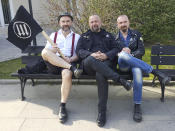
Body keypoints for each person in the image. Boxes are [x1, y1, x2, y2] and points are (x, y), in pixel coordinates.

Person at [76, 15, 133, 127]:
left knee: (100, 74)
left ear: (100, 22)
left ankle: (102, 112)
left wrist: (106, 55)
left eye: (96, 21)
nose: (94, 23)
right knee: (92, 60)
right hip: (89, 65)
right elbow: (79, 51)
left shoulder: (108, 35)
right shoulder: (84, 36)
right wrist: (91, 54)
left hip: (105, 64)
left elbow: (116, 48)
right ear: (89, 24)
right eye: (92, 22)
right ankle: (120, 80)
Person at [115, 15, 171, 122]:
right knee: (122, 55)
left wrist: (130, 54)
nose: (123, 24)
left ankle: (137, 106)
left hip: (135, 64)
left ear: (128, 22)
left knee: (137, 73)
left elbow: (141, 51)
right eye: (120, 23)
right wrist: (123, 54)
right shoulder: (114, 38)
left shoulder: (136, 34)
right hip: (123, 65)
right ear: (118, 25)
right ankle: (155, 72)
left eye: (125, 22)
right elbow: (113, 53)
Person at [41, 13, 82, 124]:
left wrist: (72, 59)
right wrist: (53, 50)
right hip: (54, 64)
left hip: (68, 62)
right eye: (63, 21)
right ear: (59, 23)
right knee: (45, 51)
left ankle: (62, 106)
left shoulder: (77, 37)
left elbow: (79, 54)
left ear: (71, 23)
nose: (65, 24)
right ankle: (72, 68)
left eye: (68, 21)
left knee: (67, 74)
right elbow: (45, 54)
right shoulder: (53, 36)